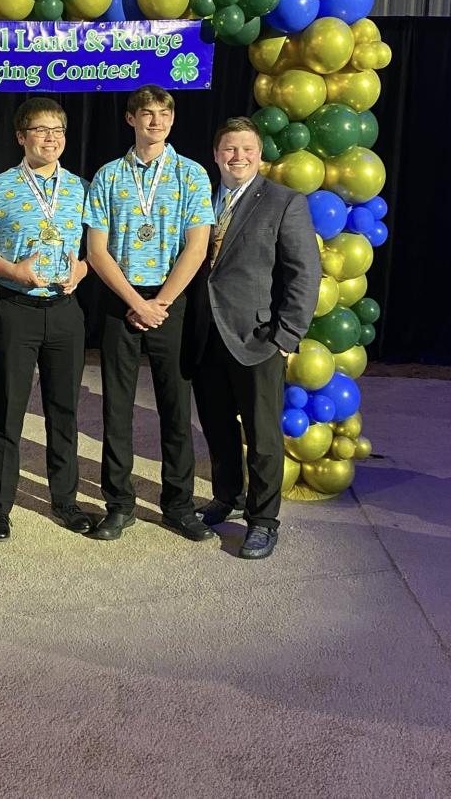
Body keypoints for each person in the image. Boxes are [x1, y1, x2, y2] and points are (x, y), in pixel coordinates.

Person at [185, 116, 321, 560]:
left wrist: (287, 335)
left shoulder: (284, 201)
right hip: (206, 337)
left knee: (263, 438)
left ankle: (263, 521)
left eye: (246, 149)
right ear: (216, 154)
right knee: (218, 428)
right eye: (229, 148)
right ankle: (228, 497)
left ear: (259, 156)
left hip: (258, 338)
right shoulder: (198, 199)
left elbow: (303, 273)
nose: (238, 156)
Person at [83, 86, 215, 542]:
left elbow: (197, 246)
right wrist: (135, 302)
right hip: (121, 300)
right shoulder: (107, 176)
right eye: (146, 114)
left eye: (163, 114)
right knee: (116, 406)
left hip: (170, 299)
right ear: (130, 119)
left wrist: (161, 302)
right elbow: (96, 251)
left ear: (172, 121)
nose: (155, 122)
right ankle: (119, 504)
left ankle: (178, 504)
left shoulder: (191, 174)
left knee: (175, 407)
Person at [0, 97, 91, 542]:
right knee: (7, 411)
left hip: (65, 312)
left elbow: (95, 247)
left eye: (58, 130)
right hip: (16, 310)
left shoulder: (82, 187)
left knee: (64, 411)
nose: (51, 138)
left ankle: (65, 500)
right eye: (41, 130)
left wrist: (80, 270)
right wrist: (13, 270)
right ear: (21, 137)